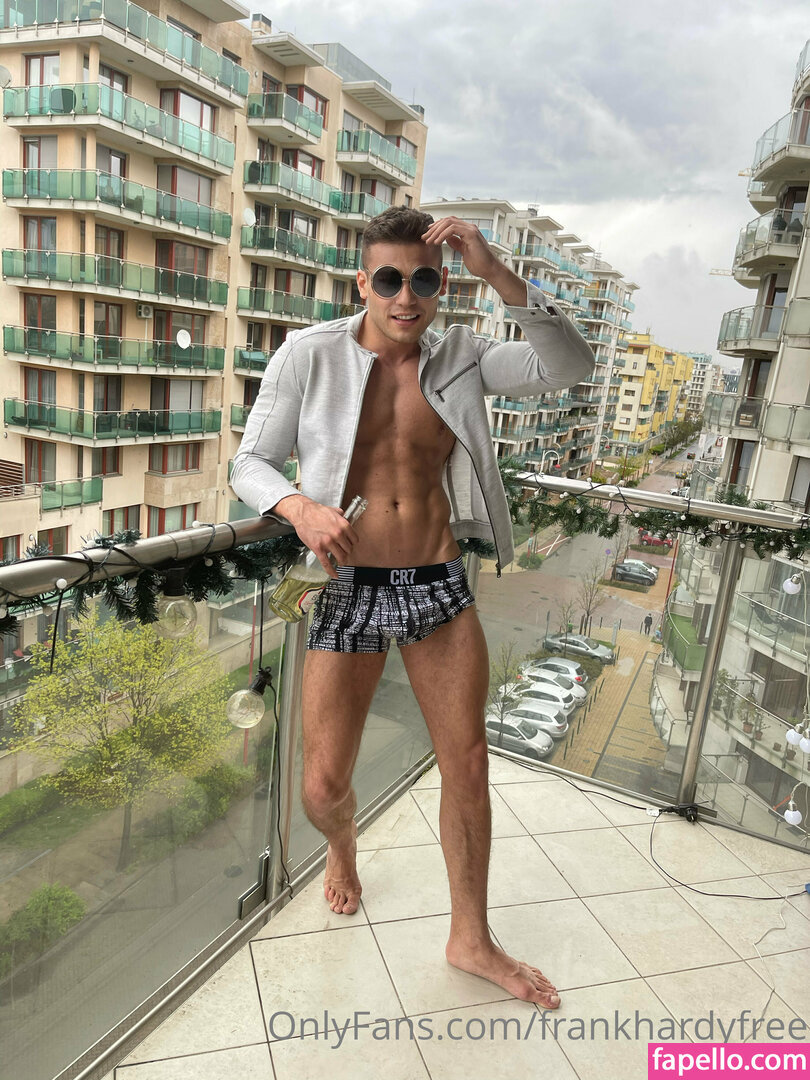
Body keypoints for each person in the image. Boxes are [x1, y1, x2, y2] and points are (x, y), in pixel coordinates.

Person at [231, 207, 595, 1010]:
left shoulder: (464, 355)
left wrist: (493, 269)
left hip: (437, 581)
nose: (406, 296)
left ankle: (472, 937)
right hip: (346, 586)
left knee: (468, 763)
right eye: (390, 279)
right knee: (321, 788)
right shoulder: (309, 354)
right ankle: (342, 847)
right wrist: (298, 506)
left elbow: (568, 364)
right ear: (363, 283)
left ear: (440, 286)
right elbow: (250, 461)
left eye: (424, 280)